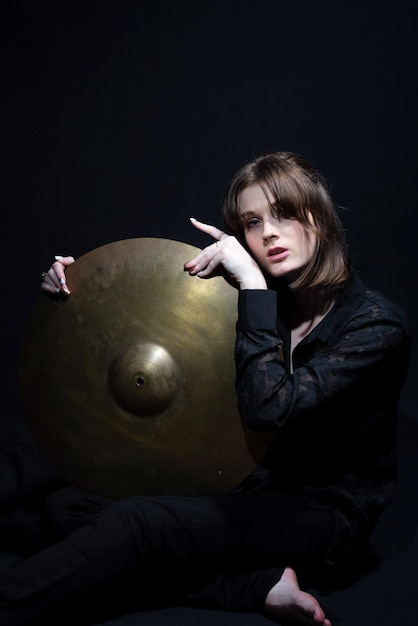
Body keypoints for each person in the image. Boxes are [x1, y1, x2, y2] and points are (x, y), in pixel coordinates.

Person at [0, 151, 411, 625]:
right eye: (252, 223)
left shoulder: (378, 327)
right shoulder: (255, 301)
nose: (268, 233)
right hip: (248, 489)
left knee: (138, 524)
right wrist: (74, 292)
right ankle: (255, 587)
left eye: (284, 214)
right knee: (66, 507)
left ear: (318, 216)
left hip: (319, 516)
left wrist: (253, 290)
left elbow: (270, 410)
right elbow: (137, 331)